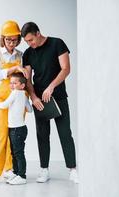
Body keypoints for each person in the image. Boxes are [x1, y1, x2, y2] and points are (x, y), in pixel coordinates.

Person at [21, 22, 79, 183]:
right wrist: (33, 96)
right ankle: (44, 170)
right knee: (42, 135)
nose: (30, 44)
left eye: (31, 40)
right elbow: (28, 80)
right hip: (39, 100)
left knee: (65, 133)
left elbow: (66, 68)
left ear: (38, 33)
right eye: (27, 41)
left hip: (58, 96)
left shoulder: (57, 44)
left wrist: (51, 87)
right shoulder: (28, 53)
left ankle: (73, 169)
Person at [0, 20, 29, 186]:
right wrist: (14, 69)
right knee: (0, 135)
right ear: (2, 39)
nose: (11, 43)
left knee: (13, 136)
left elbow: (24, 77)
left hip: (17, 100)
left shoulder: (20, 54)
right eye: (8, 40)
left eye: (14, 40)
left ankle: (9, 170)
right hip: (2, 100)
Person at [0, 73, 33, 185]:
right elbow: (30, 110)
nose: (12, 85)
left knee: (18, 153)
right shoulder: (24, 95)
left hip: (16, 129)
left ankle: (22, 176)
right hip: (20, 128)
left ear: (22, 85)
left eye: (15, 83)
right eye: (11, 83)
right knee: (16, 152)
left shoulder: (15, 93)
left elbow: (4, 105)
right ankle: (16, 173)